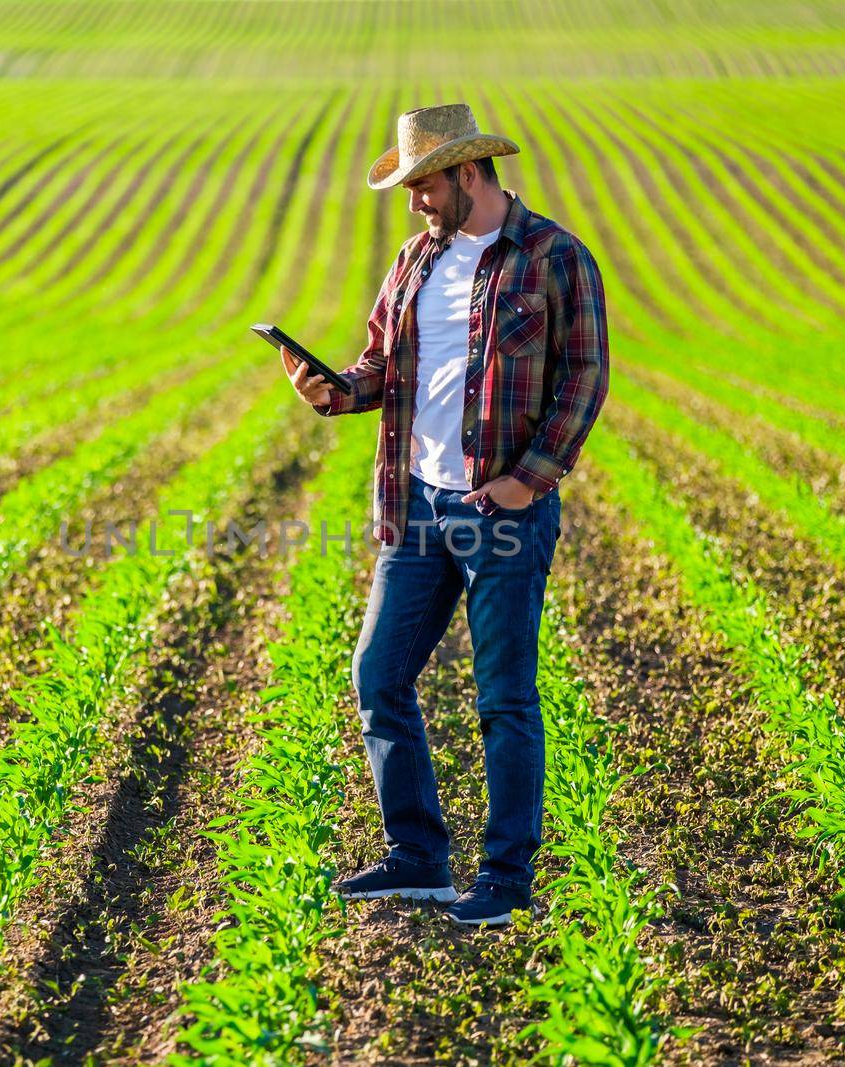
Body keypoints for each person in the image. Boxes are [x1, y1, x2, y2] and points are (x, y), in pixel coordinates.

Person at [280, 102, 608, 926]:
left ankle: (505, 875)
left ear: (468, 173)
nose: (415, 202)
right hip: (416, 505)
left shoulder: (554, 258)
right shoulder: (414, 260)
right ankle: (420, 856)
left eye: (422, 185)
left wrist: (527, 482)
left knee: (503, 696)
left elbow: (585, 377)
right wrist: (332, 391)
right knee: (378, 676)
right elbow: (380, 369)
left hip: (501, 510)